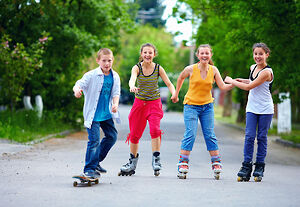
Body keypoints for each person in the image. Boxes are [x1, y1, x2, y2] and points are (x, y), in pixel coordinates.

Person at [171, 44, 233, 179]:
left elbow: (222, 86)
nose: (204, 56)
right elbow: (181, 78)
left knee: (210, 134)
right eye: (202, 53)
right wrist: (176, 94)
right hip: (191, 106)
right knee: (190, 134)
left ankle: (216, 162)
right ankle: (183, 163)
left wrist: (235, 83)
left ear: (210, 55)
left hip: (207, 107)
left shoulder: (214, 70)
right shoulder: (190, 69)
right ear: (197, 55)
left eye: (207, 53)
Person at [118, 43, 175, 176]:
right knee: (134, 134)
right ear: (141, 54)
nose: (148, 55)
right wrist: (132, 86)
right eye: (145, 52)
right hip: (139, 104)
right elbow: (132, 79)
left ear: (154, 54)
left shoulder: (158, 68)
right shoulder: (137, 67)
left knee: (155, 129)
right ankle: (132, 163)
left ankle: (156, 159)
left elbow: (169, 83)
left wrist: (173, 93)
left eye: (150, 53)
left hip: (154, 103)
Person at [225, 43, 274, 182]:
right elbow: (252, 81)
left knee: (262, 137)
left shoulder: (267, 72)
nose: (257, 56)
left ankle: (259, 167)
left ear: (267, 55)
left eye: (261, 54)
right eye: (255, 54)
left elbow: (249, 87)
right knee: (249, 136)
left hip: (265, 109)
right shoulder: (253, 67)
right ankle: (246, 166)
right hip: (252, 108)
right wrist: (242, 79)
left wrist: (232, 82)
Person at [73, 48, 121, 179]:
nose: (107, 63)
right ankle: (89, 169)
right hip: (92, 115)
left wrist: (115, 104)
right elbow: (79, 84)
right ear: (98, 61)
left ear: (112, 60)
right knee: (94, 141)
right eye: (104, 61)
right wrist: (77, 90)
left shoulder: (115, 76)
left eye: (109, 60)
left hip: (106, 114)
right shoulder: (91, 75)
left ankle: (96, 162)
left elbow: (116, 93)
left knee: (112, 136)